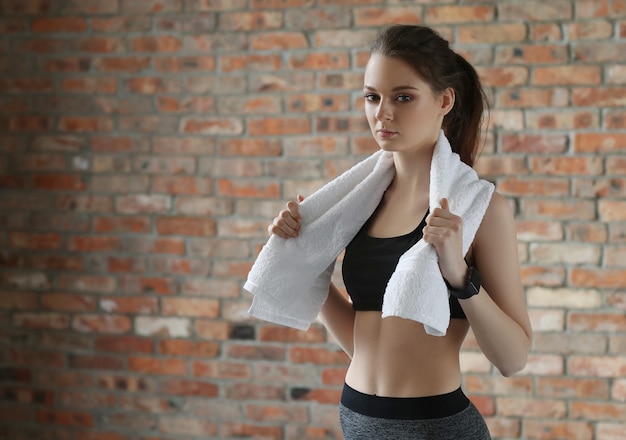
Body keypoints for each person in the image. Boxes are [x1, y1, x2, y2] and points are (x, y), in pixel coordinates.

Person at [267, 24, 532, 440]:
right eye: (372, 97)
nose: (382, 113)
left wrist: (460, 276)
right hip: (357, 420)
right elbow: (365, 342)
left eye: (403, 97)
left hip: (434, 427)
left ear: (445, 100)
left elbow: (514, 358)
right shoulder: (360, 203)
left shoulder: (479, 209)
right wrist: (305, 259)